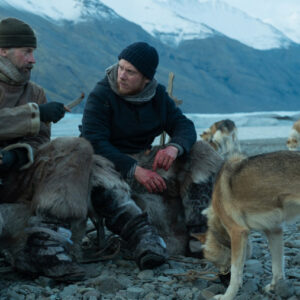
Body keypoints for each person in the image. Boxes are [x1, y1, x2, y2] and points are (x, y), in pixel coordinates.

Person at [0, 18, 167, 281]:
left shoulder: (36, 92)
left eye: (33, 52)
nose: (33, 60)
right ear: (3, 50)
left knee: (79, 149)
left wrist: (18, 154)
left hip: (18, 176)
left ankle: (137, 233)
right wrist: (33, 115)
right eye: (26, 51)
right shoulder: (47, 103)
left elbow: (40, 144)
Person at [81, 42, 223, 257]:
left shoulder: (156, 95)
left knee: (201, 150)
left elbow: (183, 125)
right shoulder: (101, 95)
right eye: (120, 67)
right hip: (108, 166)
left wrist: (174, 148)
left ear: (146, 78)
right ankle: (146, 238)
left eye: (130, 72)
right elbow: (94, 142)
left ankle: (200, 231)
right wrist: (134, 169)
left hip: (146, 159)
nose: (121, 75)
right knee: (169, 243)